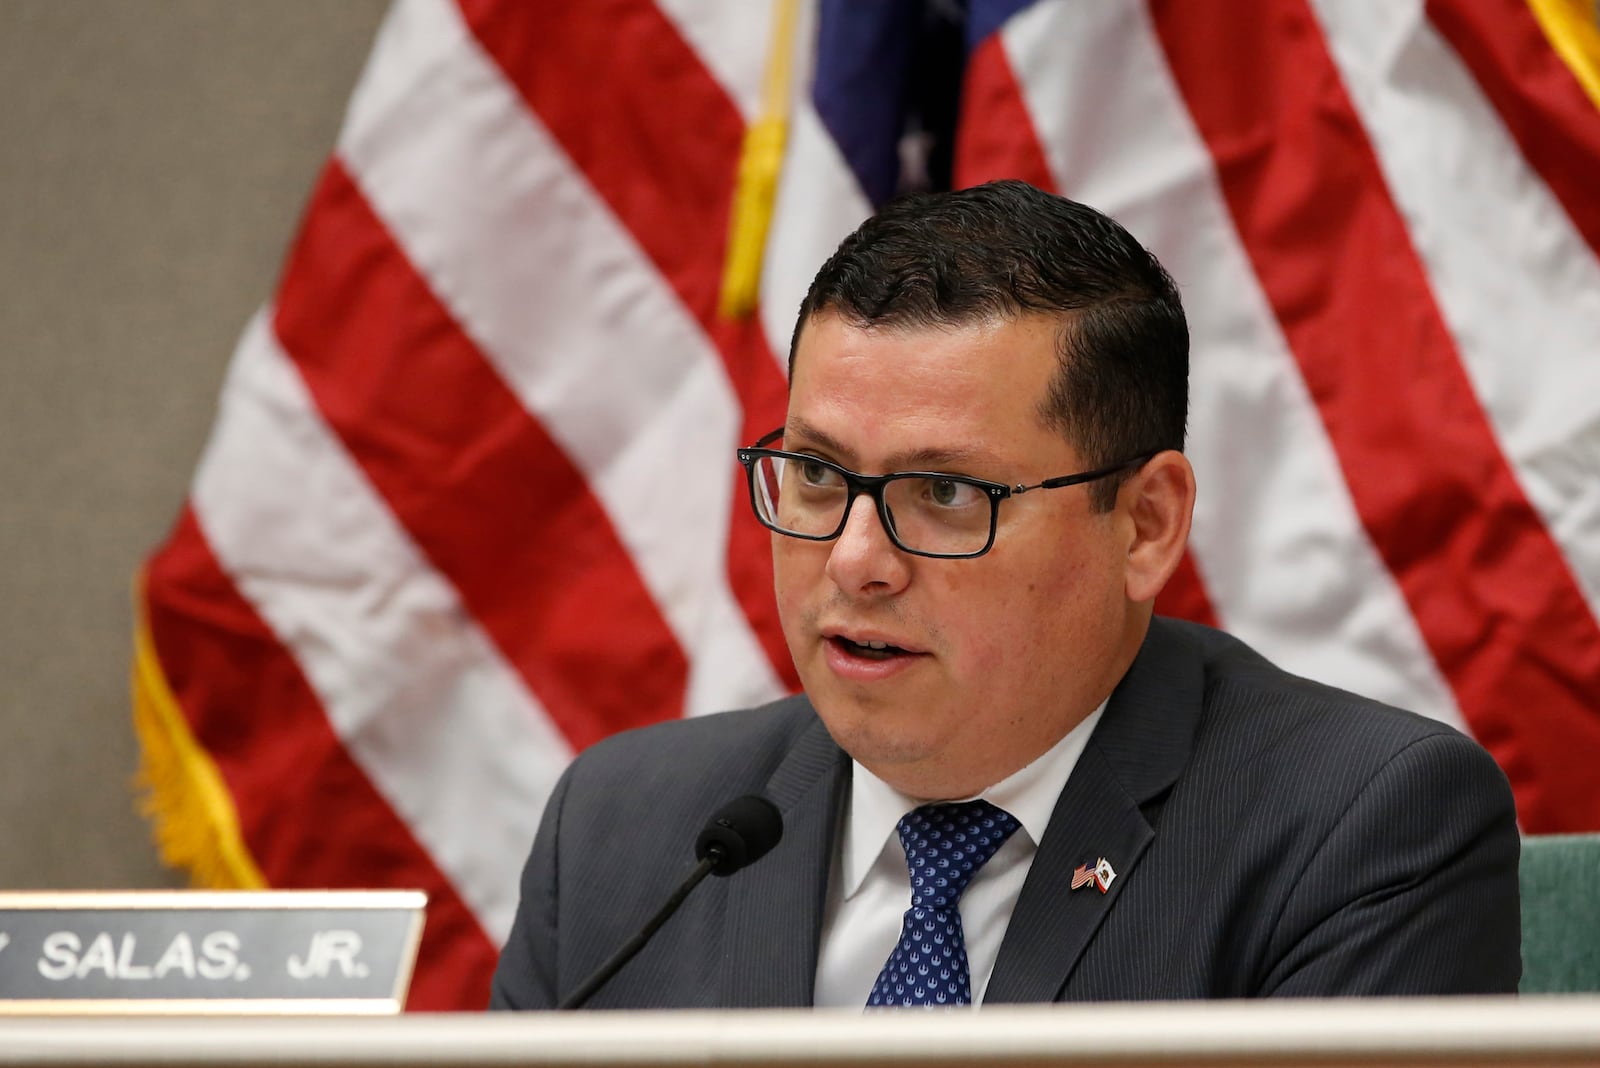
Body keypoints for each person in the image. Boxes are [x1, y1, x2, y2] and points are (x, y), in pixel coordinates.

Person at [490, 180, 1520, 1009]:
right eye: (814, 474)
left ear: (1145, 522)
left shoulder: (1356, 828)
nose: (855, 559)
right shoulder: (625, 830)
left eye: (942, 493)